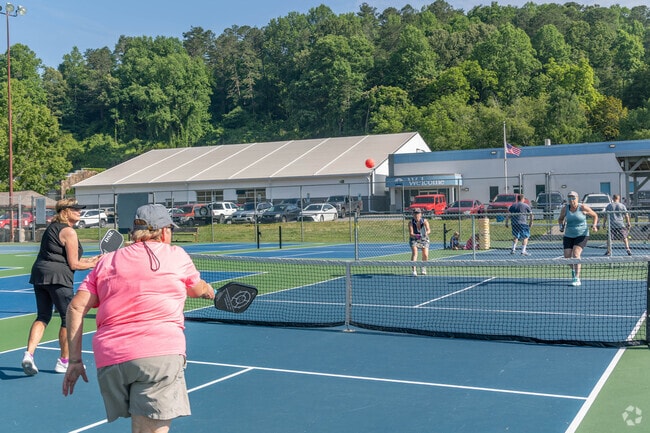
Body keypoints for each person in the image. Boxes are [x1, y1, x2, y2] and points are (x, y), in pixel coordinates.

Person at [62, 204, 216, 433]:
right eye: (170, 230)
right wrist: (207, 290)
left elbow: (75, 308)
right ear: (164, 232)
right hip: (158, 353)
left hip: (111, 360)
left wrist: (74, 360)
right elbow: (195, 289)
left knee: (140, 425)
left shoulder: (107, 261)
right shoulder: (176, 255)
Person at [21, 199, 101, 376]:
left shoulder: (52, 228)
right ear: (65, 211)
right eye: (75, 209)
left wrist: (92, 260)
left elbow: (64, 258)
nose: (79, 212)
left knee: (42, 316)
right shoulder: (69, 232)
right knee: (68, 318)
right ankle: (63, 361)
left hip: (40, 274)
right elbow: (73, 264)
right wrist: (93, 265)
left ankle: (29, 355)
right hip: (58, 277)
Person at [557, 191, 599, 287]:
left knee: (576, 255)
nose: (571, 200)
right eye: (569, 198)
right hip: (568, 234)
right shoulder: (565, 209)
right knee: (567, 257)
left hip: (582, 234)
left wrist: (594, 225)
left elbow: (595, 215)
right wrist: (561, 226)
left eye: (573, 197)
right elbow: (560, 219)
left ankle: (577, 277)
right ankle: (573, 269)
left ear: (577, 198)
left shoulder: (582, 207)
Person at [408, 208, 430, 276]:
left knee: (425, 255)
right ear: (413, 214)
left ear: (421, 214)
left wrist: (426, 233)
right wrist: (417, 236)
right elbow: (411, 233)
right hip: (414, 239)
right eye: (415, 213)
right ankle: (414, 270)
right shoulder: (410, 222)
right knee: (415, 253)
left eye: (418, 213)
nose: (416, 215)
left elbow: (429, 230)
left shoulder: (425, 221)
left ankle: (423, 267)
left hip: (424, 239)